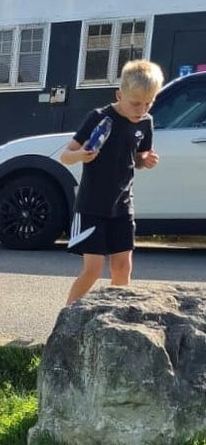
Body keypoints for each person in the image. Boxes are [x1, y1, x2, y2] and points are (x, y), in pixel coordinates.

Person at [61, 59, 164, 305]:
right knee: (93, 268)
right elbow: (66, 156)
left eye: (149, 103)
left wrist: (145, 160)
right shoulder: (99, 118)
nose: (141, 109)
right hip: (92, 206)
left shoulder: (145, 122)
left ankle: (116, 314)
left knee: (122, 267)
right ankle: (67, 317)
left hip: (123, 204)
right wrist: (81, 155)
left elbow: (137, 158)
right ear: (120, 94)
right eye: (136, 103)